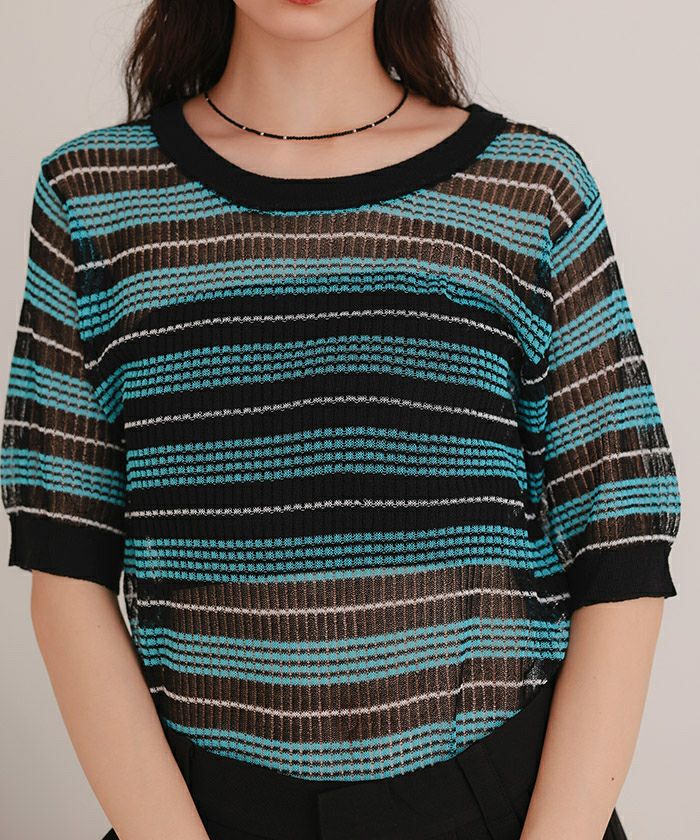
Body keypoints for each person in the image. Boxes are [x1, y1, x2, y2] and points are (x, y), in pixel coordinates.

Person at [0, 1, 682, 838]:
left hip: (506, 807)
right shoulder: (93, 197)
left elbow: (622, 542)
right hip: (196, 815)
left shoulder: (530, 189)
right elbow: (66, 564)